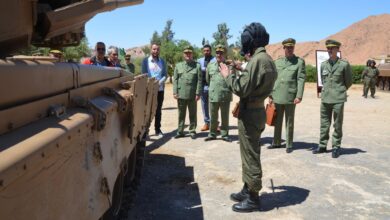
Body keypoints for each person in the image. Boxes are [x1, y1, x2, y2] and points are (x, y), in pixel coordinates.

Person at [220, 22, 277, 212]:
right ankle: (247, 188)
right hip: (256, 111)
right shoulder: (265, 59)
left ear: (251, 40)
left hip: (250, 113)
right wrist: (240, 68)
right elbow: (255, 80)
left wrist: (228, 75)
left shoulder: (257, 61)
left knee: (251, 155)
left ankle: (253, 198)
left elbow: (241, 88)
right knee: (248, 152)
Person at [313, 39, 352, 158]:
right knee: (324, 123)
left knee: (337, 124)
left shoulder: (344, 64)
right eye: (328, 48)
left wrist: (339, 90)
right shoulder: (324, 64)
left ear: (337, 49)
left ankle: (336, 146)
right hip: (325, 98)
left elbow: (348, 82)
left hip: (338, 98)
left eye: (332, 48)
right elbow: (323, 80)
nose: (329, 50)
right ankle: (322, 145)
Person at [268, 38, 306, 153]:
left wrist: (299, 96)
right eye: (287, 47)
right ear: (283, 48)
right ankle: (276, 142)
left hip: (290, 96)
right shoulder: (277, 62)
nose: (289, 49)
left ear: (293, 48)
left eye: (291, 47)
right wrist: (270, 94)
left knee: (289, 121)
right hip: (277, 94)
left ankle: (289, 144)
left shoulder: (299, 62)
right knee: (277, 120)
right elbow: (273, 79)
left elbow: (301, 79)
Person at [204, 45, 232, 142]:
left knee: (225, 116)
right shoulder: (210, 65)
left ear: (224, 54)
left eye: (221, 53)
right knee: (213, 116)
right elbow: (207, 80)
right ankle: (212, 134)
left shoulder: (229, 66)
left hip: (225, 95)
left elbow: (232, 80)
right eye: (217, 53)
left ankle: (224, 135)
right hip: (213, 94)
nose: (219, 55)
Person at [173, 45, 202, 139]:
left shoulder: (197, 66)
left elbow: (199, 80)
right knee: (181, 114)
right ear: (183, 54)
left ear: (192, 54)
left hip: (192, 94)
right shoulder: (178, 66)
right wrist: (175, 92)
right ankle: (180, 131)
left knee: (193, 114)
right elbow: (175, 80)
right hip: (181, 94)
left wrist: (198, 93)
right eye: (186, 53)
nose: (188, 55)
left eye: (189, 53)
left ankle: (192, 130)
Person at [142, 43, 167, 136]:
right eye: (154, 49)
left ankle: (157, 129)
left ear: (159, 50)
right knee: (147, 110)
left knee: (158, 110)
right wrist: (151, 85)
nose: (155, 51)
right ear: (151, 50)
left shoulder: (162, 61)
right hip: (149, 90)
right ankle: (145, 131)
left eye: (157, 49)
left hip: (160, 90)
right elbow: (144, 74)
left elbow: (165, 75)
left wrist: (159, 83)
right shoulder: (145, 61)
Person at [197, 44, 216, 131]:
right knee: (204, 105)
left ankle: (215, 123)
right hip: (203, 86)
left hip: (213, 86)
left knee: (214, 106)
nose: (206, 52)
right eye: (204, 51)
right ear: (203, 51)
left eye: (208, 50)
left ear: (210, 51)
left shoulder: (215, 60)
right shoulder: (199, 61)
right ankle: (207, 123)